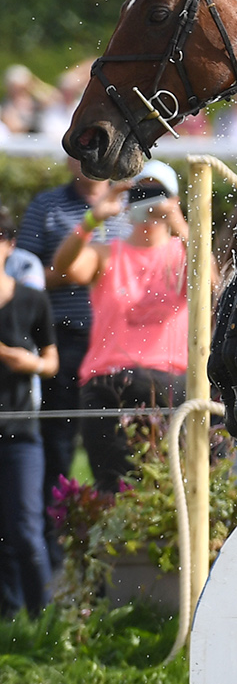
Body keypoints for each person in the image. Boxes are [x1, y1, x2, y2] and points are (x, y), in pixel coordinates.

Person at [49, 161, 188, 493]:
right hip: (108, 384)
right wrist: (94, 217)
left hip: (169, 383)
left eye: (159, 193)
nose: (150, 202)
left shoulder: (185, 252)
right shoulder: (106, 253)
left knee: (172, 492)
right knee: (112, 489)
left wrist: (180, 226)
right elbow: (63, 268)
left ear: (174, 200)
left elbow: (212, 286)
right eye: (141, 193)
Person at [17, 158, 132, 552]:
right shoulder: (46, 207)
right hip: (66, 339)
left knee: (117, 449)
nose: (88, 163)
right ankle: (51, 545)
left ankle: (114, 544)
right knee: (59, 444)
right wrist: (74, 267)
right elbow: (25, 279)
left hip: (119, 347)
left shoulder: (135, 205)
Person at [0, 207, 58, 618]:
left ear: (9, 246)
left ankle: (44, 621)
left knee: (25, 527)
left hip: (21, 432)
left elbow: (52, 362)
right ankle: (8, 614)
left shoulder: (32, 299)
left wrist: (28, 362)